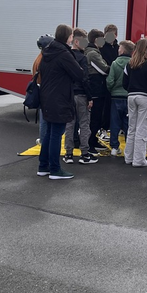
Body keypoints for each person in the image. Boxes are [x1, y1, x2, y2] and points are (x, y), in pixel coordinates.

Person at [38, 24, 86, 180]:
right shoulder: (64, 54)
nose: (72, 38)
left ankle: (43, 166)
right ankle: (55, 169)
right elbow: (79, 74)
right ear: (68, 37)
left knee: (49, 134)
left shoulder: (47, 52)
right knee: (56, 134)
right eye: (71, 35)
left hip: (47, 97)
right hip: (60, 98)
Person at [63, 28, 98, 165]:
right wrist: (90, 97)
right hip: (82, 94)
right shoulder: (82, 58)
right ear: (76, 41)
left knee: (69, 125)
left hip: (69, 94)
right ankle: (84, 154)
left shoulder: (66, 56)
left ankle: (68, 154)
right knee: (84, 124)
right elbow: (85, 79)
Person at [122, 37, 147, 168]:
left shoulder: (130, 63)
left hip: (131, 96)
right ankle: (139, 159)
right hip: (146, 97)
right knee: (143, 128)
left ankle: (128, 157)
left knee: (132, 128)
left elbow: (124, 83)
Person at [106, 39, 134, 156]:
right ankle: (129, 147)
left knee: (115, 122)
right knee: (128, 123)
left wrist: (111, 90)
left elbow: (110, 81)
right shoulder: (133, 63)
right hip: (129, 96)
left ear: (122, 50)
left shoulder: (115, 63)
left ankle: (114, 147)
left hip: (116, 97)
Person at [85, 29, 109, 153]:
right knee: (95, 118)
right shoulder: (93, 54)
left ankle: (92, 140)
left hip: (96, 88)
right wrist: (115, 68)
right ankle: (90, 144)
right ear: (96, 40)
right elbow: (104, 70)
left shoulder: (93, 51)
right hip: (95, 89)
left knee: (96, 118)